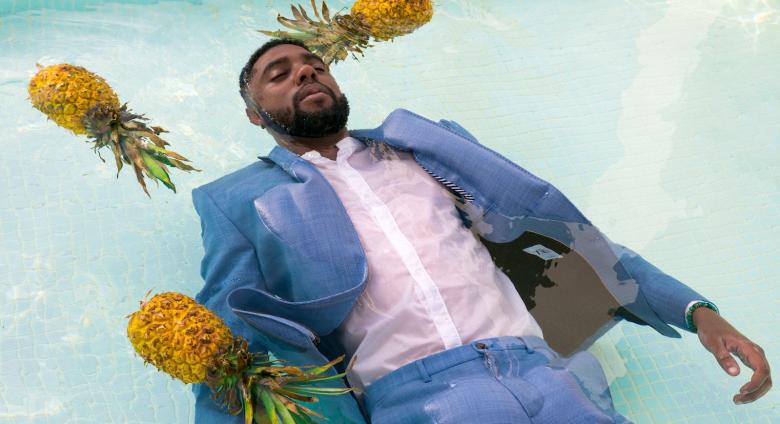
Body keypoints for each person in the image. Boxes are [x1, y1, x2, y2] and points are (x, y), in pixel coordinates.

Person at [191, 38, 772, 423]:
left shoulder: (425, 148)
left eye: (315, 65)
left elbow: (567, 239)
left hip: (550, 375)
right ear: (253, 113)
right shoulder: (239, 200)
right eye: (280, 74)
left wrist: (698, 310)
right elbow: (225, 338)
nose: (306, 73)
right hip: (415, 397)